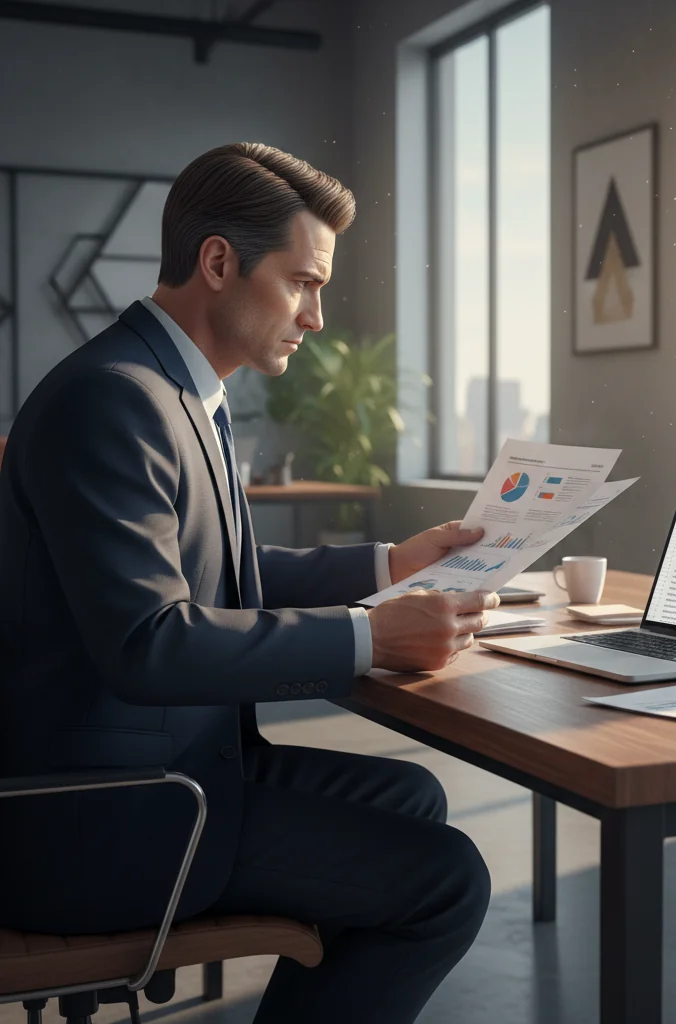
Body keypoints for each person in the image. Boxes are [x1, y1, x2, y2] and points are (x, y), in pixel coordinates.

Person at [0, 142, 498, 1023]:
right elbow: (149, 643)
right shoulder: (112, 399)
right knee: (445, 880)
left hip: (166, 772)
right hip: (99, 818)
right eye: (303, 282)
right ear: (219, 263)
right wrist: (369, 638)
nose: (316, 316)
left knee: (413, 798)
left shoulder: (173, 390)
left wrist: (388, 566)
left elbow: (221, 576)